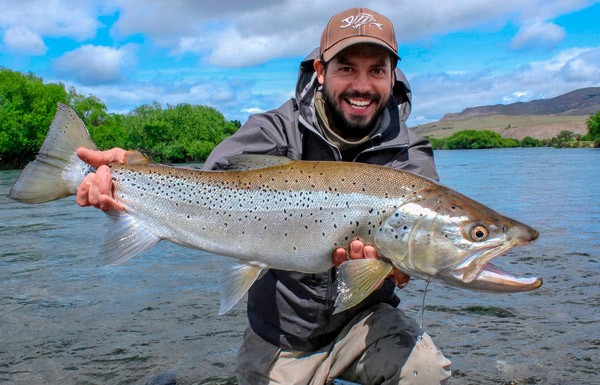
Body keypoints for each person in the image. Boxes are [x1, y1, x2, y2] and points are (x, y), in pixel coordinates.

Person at [76, 7, 452, 385]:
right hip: (281, 337)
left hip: (367, 327)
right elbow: (204, 192)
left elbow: (421, 253)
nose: (362, 85)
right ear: (321, 72)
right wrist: (127, 176)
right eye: (347, 68)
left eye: (376, 70)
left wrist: (400, 267)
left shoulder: (409, 153)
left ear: (392, 77)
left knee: (427, 371)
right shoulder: (274, 129)